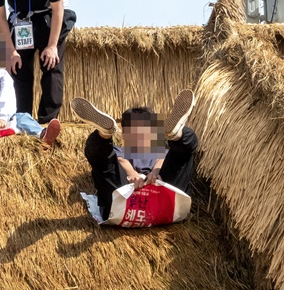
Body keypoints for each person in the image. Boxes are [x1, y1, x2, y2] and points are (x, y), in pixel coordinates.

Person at [71, 90, 197, 221]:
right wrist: (132, 173)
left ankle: (176, 135)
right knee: (102, 159)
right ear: (125, 134)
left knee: (182, 154)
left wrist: (156, 171)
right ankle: (104, 133)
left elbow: (164, 158)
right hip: (126, 193)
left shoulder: (164, 153)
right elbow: (120, 160)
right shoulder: (120, 151)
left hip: (164, 190)